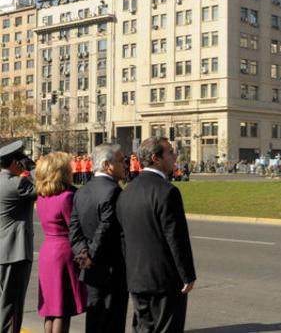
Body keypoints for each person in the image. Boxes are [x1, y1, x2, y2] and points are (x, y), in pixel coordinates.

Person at [116, 137, 196, 332]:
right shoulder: (167, 192)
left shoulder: (127, 191)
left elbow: (124, 238)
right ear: (155, 158)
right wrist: (187, 275)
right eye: (170, 152)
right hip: (164, 281)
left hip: (136, 279)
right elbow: (176, 238)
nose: (175, 156)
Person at [69, 144, 129, 332]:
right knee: (112, 321)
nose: (125, 164)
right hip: (110, 270)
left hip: (90, 269)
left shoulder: (81, 191)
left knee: (94, 320)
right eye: (120, 160)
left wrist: (82, 253)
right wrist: (91, 255)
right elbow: (106, 227)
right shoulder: (114, 191)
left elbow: (74, 229)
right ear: (107, 165)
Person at [35, 152, 87, 333]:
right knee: (62, 309)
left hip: (48, 251)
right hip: (63, 251)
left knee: (51, 308)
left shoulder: (42, 196)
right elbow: (74, 227)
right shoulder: (66, 197)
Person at [0, 141, 37, 333]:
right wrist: (32, 166)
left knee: (4, 304)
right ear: (16, 162)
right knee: (13, 306)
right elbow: (43, 185)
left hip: (2, 251)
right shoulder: (18, 184)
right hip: (15, 253)